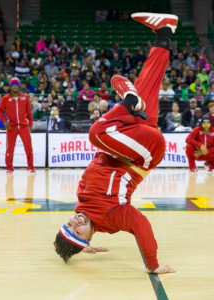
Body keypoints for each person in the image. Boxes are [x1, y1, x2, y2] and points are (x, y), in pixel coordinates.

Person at [53, 12, 178, 274]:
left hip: (132, 139)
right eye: (78, 230)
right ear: (87, 235)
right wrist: (152, 264)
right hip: (143, 154)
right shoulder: (112, 217)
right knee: (96, 133)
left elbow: (82, 223)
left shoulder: (83, 204)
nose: (75, 221)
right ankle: (129, 102)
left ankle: (164, 32)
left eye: (69, 225)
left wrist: (82, 244)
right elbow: (140, 224)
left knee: (149, 79)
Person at [0, 77, 35, 174]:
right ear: (10, 87)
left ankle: (30, 167)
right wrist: (4, 121)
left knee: (28, 147)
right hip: (11, 127)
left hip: (23, 126)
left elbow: (29, 112)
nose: (15, 87)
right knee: (10, 148)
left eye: (16, 85)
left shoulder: (25, 97)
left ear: (19, 87)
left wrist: (31, 123)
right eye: (13, 85)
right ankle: (9, 167)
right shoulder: (5, 98)